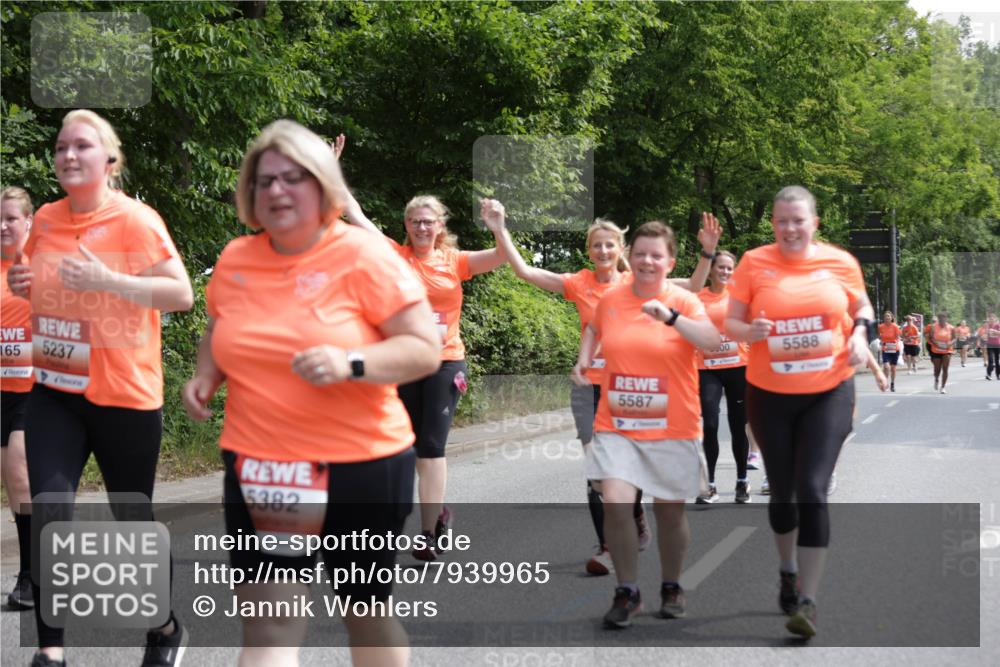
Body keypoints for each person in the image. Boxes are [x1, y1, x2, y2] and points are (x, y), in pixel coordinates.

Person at [182, 119, 440, 667]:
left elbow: (424, 348)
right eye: (264, 180)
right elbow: (218, 326)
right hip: (266, 466)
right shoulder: (236, 260)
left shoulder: (365, 256)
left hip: (361, 462)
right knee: (270, 628)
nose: (277, 190)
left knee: (363, 613)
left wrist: (352, 361)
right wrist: (207, 375)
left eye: (294, 177)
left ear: (323, 185)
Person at [6, 109, 194, 667]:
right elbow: (38, 279)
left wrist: (110, 280)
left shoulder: (137, 221)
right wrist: (24, 280)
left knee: (130, 520)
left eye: (81, 146)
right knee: (50, 513)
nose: (67, 155)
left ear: (108, 160)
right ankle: (51, 652)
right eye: (61, 146)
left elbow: (180, 293)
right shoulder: (44, 217)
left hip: (125, 397)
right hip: (55, 392)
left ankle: (163, 627)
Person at [486, 199, 720, 574]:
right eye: (597, 244)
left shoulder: (638, 282)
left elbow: (694, 285)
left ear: (621, 249)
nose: (603, 250)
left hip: (633, 390)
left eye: (610, 244)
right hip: (588, 388)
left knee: (632, 465)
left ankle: (624, 530)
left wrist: (707, 251)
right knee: (598, 473)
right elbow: (526, 272)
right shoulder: (578, 282)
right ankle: (615, 538)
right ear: (589, 250)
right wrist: (500, 229)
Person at [725, 185, 874, 639]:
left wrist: (860, 334)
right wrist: (749, 329)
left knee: (812, 488)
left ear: (815, 223)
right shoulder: (754, 263)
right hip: (768, 393)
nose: (789, 228)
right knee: (784, 492)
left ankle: (807, 599)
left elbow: (862, 305)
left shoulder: (840, 262)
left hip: (828, 390)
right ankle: (787, 570)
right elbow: (730, 322)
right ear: (773, 224)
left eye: (798, 220)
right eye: (781, 221)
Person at [572, 221, 720, 628]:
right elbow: (593, 327)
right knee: (616, 501)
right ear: (629, 257)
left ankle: (671, 585)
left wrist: (671, 318)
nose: (647, 261)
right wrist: (584, 357)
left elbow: (710, 339)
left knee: (669, 513)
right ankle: (628, 590)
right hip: (617, 422)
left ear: (669, 261)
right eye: (640, 254)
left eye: (656, 255)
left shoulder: (684, 300)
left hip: (673, 424)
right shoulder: (613, 299)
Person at [692, 250, 753, 504]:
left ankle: (741, 481)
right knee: (710, 424)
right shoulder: (697, 297)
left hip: (739, 366)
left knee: (739, 426)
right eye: (721, 268)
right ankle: (711, 484)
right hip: (708, 369)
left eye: (730, 268)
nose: (725, 272)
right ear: (712, 269)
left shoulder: (741, 298)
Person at [1, 186, 34, 610]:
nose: (3, 225)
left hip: (34, 389)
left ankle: (31, 576)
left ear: (29, 222)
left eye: (11, 217)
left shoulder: (40, 267)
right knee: (14, 485)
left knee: (20, 470)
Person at [929, 312, 956, 393]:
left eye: (943, 318)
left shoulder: (951, 327)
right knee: (937, 369)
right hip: (936, 350)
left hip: (947, 350)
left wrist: (950, 343)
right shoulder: (934, 327)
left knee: (945, 368)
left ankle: (943, 387)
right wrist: (936, 342)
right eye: (940, 318)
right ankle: (936, 378)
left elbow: (954, 338)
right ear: (938, 319)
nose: (942, 320)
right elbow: (931, 337)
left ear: (946, 319)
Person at [877, 311, 901, 392]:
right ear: (884, 318)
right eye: (886, 316)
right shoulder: (881, 327)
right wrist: (880, 339)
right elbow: (879, 336)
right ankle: (885, 383)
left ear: (891, 318)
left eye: (889, 316)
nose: (887, 318)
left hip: (894, 349)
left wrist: (894, 341)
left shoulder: (895, 327)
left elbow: (898, 337)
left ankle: (892, 384)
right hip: (885, 349)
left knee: (893, 368)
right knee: (886, 367)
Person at [984, 313, 1000, 380]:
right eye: (990, 319)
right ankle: (988, 374)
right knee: (990, 360)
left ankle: (998, 375)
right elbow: (985, 334)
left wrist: (994, 331)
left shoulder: (998, 325)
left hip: (997, 344)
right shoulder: (987, 325)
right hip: (989, 344)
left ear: (995, 319)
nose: (991, 320)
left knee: (997, 361)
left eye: (993, 318)